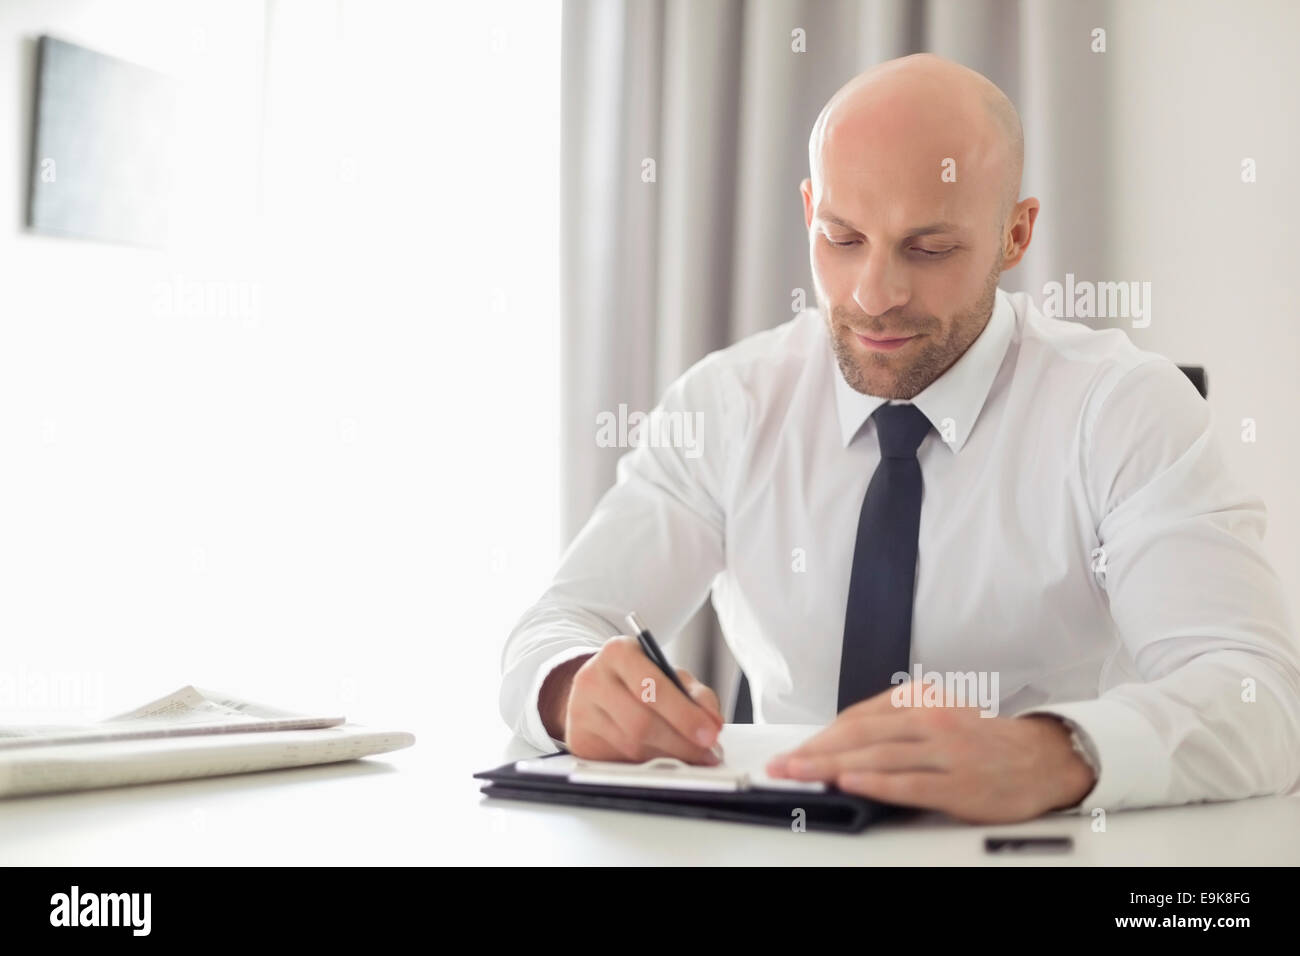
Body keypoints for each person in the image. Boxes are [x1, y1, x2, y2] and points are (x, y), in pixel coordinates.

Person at [499, 53, 1300, 824]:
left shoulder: (1124, 410)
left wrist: (1053, 756)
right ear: (809, 210)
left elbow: (1259, 693)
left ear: (1016, 236)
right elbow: (556, 625)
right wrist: (572, 689)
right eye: (841, 239)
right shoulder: (729, 403)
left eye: (930, 248)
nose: (874, 295)